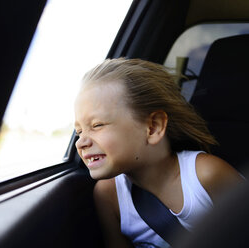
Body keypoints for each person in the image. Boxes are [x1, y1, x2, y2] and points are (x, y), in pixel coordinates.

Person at [73, 58, 243, 248]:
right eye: (79, 131)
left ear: (153, 127)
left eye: (97, 125)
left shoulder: (207, 175)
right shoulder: (108, 194)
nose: (81, 142)